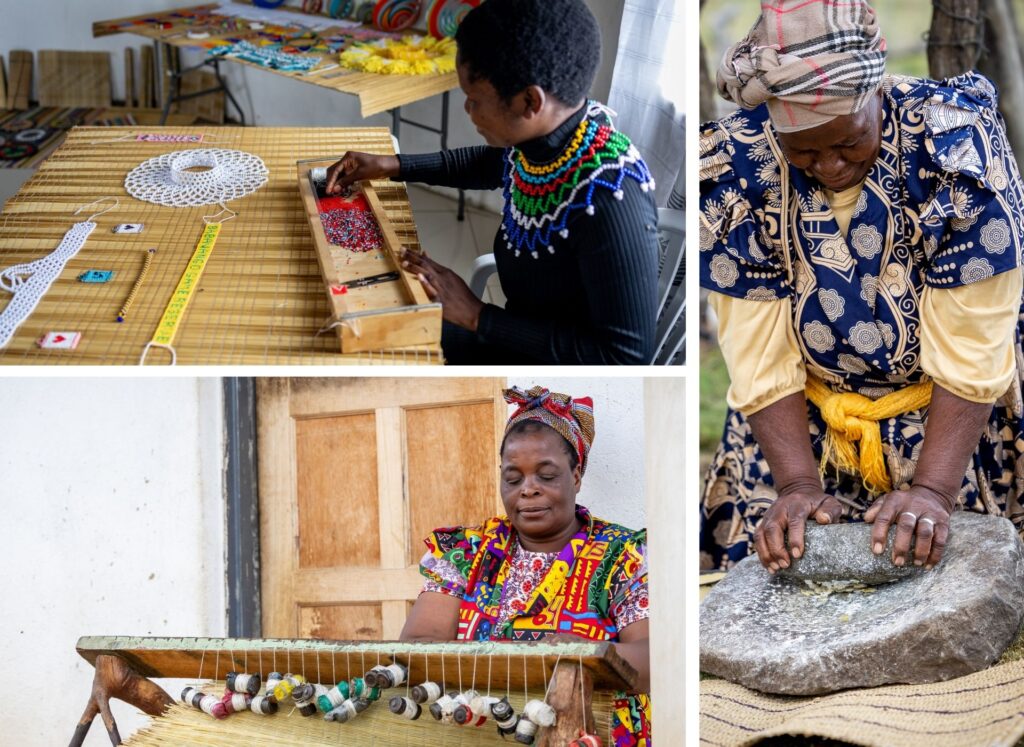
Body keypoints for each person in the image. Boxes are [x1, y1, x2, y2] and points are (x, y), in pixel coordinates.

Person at [699, 0, 1024, 573]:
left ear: (876, 92)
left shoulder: (952, 149)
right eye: (803, 151)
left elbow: (974, 342)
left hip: (954, 425)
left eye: (847, 143)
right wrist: (797, 483)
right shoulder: (737, 168)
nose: (827, 165)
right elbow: (755, 349)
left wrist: (932, 493)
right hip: (804, 425)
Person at [326, 0, 659, 365]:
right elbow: (492, 164)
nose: (469, 111)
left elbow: (624, 357)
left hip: (536, 358)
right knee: (365, 317)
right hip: (512, 332)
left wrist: (477, 316)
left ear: (530, 100)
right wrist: (390, 164)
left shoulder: (611, 197)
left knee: (372, 347)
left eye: (474, 100)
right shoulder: (554, 137)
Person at [400, 385, 651, 745]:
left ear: (576, 476)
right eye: (513, 478)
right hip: (478, 731)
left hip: (590, 732)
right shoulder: (466, 552)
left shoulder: (620, 556)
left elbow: (653, 656)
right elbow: (419, 646)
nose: (527, 489)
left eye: (546, 476)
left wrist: (582, 654)